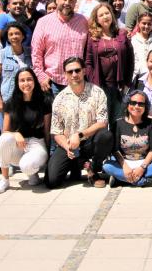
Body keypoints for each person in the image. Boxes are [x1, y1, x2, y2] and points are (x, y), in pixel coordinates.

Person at [47, 56, 114, 187]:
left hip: (89, 141)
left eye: (77, 70)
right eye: (70, 72)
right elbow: (56, 132)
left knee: (106, 136)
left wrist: (79, 135)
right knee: (51, 181)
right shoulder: (60, 99)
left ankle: (93, 169)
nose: (74, 74)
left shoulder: (97, 92)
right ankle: (77, 165)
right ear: (65, 74)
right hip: (69, 144)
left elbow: (102, 122)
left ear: (84, 71)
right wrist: (67, 147)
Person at [0, 69, 51, 193]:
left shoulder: (44, 101)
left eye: (29, 79)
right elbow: (5, 132)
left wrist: (49, 155)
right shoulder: (11, 103)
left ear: (35, 81)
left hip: (37, 144)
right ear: (17, 83)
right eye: (22, 80)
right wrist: (16, 134)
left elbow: (47, 131)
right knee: (4, 139)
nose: (26, 83)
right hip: (19, 146)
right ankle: (4, 179)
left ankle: (32, 173)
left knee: (27, 166)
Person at [103, 90, 152, 187]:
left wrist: (142, 168)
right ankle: (147, 181)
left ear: (145, 107)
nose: (136, 106)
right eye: (133, 103)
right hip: (125, 162)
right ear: (127, 104)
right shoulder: (118, 124)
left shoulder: (151, 124)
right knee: (107, 166)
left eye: (141, 104)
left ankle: (121, 180)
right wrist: (125, 167)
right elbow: (115, 150)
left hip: (145, 163)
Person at [32, 0, 89, 93]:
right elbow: (36, 52)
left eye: (71, 0)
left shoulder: (84, 21)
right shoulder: (44, 22)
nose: (67, 3)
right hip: (53, 83)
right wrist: (41, 76)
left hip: (78, 81)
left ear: (75, 2)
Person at [84, 2, 134, 126]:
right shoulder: (92, 38)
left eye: (107, 13)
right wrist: (93, 83)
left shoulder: (122, 34)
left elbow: (130, 59)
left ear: (112, 15)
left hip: (119, 86)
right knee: (101, 121)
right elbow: (88, 62)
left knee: (118, 120)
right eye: (101, 15)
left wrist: (127, 82)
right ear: (96, 19)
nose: (105, 16)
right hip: (101, 86)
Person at [0, 22, 32, 128]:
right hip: (8, 100)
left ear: (23, 36)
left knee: (24, 132)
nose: (14, 37)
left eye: (17, 33)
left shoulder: (30, 53)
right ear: (8, 38)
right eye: (11, 34)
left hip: (27, 100)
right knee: (7, 133)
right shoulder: (2, 54)